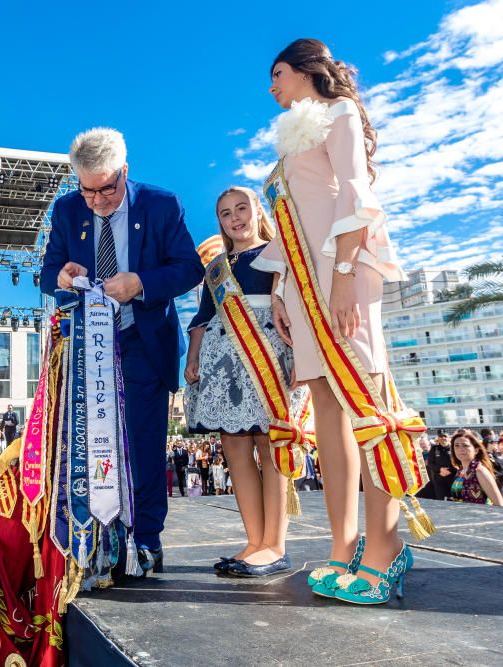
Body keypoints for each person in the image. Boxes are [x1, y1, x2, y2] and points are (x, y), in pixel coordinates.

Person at [252, 38, 425, 604]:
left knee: (367, 399)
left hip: (342, 270)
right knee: (327, 406)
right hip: (302, 283)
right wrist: (280, 288)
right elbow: (288, 226)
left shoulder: (339, 113)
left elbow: (357, 194)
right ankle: (343, 544)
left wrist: (346, 273)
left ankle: (385, 547)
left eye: (277, 73)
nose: (270, 85)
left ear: (305, 70)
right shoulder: (289, 141)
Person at [40, 126, 204, 573]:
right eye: (86, 190)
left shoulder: (161, 204)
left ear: (125, 172)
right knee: (89, 446)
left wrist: (141, 283)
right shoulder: (66, 209)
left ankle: (147, 539)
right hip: (86, 352)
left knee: (144, 443)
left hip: (141, 341)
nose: (96, 201)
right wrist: (62, 276)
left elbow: (189, 268)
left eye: (106, 189)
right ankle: (95, 541)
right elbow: (47, 271)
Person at [184, 186, 308, 575]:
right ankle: (254, 540)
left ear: (258, 211)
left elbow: (299, 308)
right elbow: (202, 318)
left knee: (271, 447)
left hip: (268, 354)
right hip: (224, 364)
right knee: (235, 450)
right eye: (225, 213)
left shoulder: (280, 253)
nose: (235, 217)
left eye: (242, 208)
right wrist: (192, 358)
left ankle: (275, 545)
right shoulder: (216, 268)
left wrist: (300, 358)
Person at [448, 430, 503, 506]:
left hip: (480, 516)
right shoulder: (460, 470)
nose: (460, 449)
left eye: (465, 445)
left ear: (476, 450)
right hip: (461, 516)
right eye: (456, 445)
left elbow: (499, 504)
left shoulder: (479, 471)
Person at [426, 432, 456, 500]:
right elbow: (430, 463)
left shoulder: (454, 448)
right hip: (439, 479)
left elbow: (458, 462)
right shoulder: (434, 449)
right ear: (438, 438)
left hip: (452, 478)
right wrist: (440, 469)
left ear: (449, 438)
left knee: (453, 499)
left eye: (445, 436)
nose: (443, 438)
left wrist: (450, 471)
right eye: (441, 436)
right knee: (440, 499)